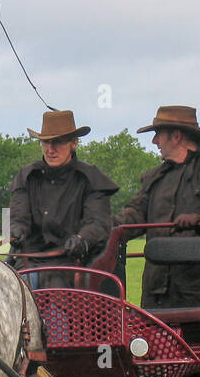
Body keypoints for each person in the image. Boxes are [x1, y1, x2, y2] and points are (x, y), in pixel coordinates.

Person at [115, 105, 200, 309]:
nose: (154, 142)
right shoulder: (155, 178)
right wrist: (103, 226)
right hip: (156, 292)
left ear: (176, 136)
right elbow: (135, 215)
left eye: (158, 135)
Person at [8, 110, 118, 287]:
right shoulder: (27, 177)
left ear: (73, 143)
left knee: (55, 296)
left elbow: (97, 223)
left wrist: (82, 239)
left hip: (72, 262)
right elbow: (19, 217)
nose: (50, 149)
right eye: (46, 142)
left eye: (57, 142)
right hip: (30, 262)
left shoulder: (90, 179)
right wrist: (16, 230)